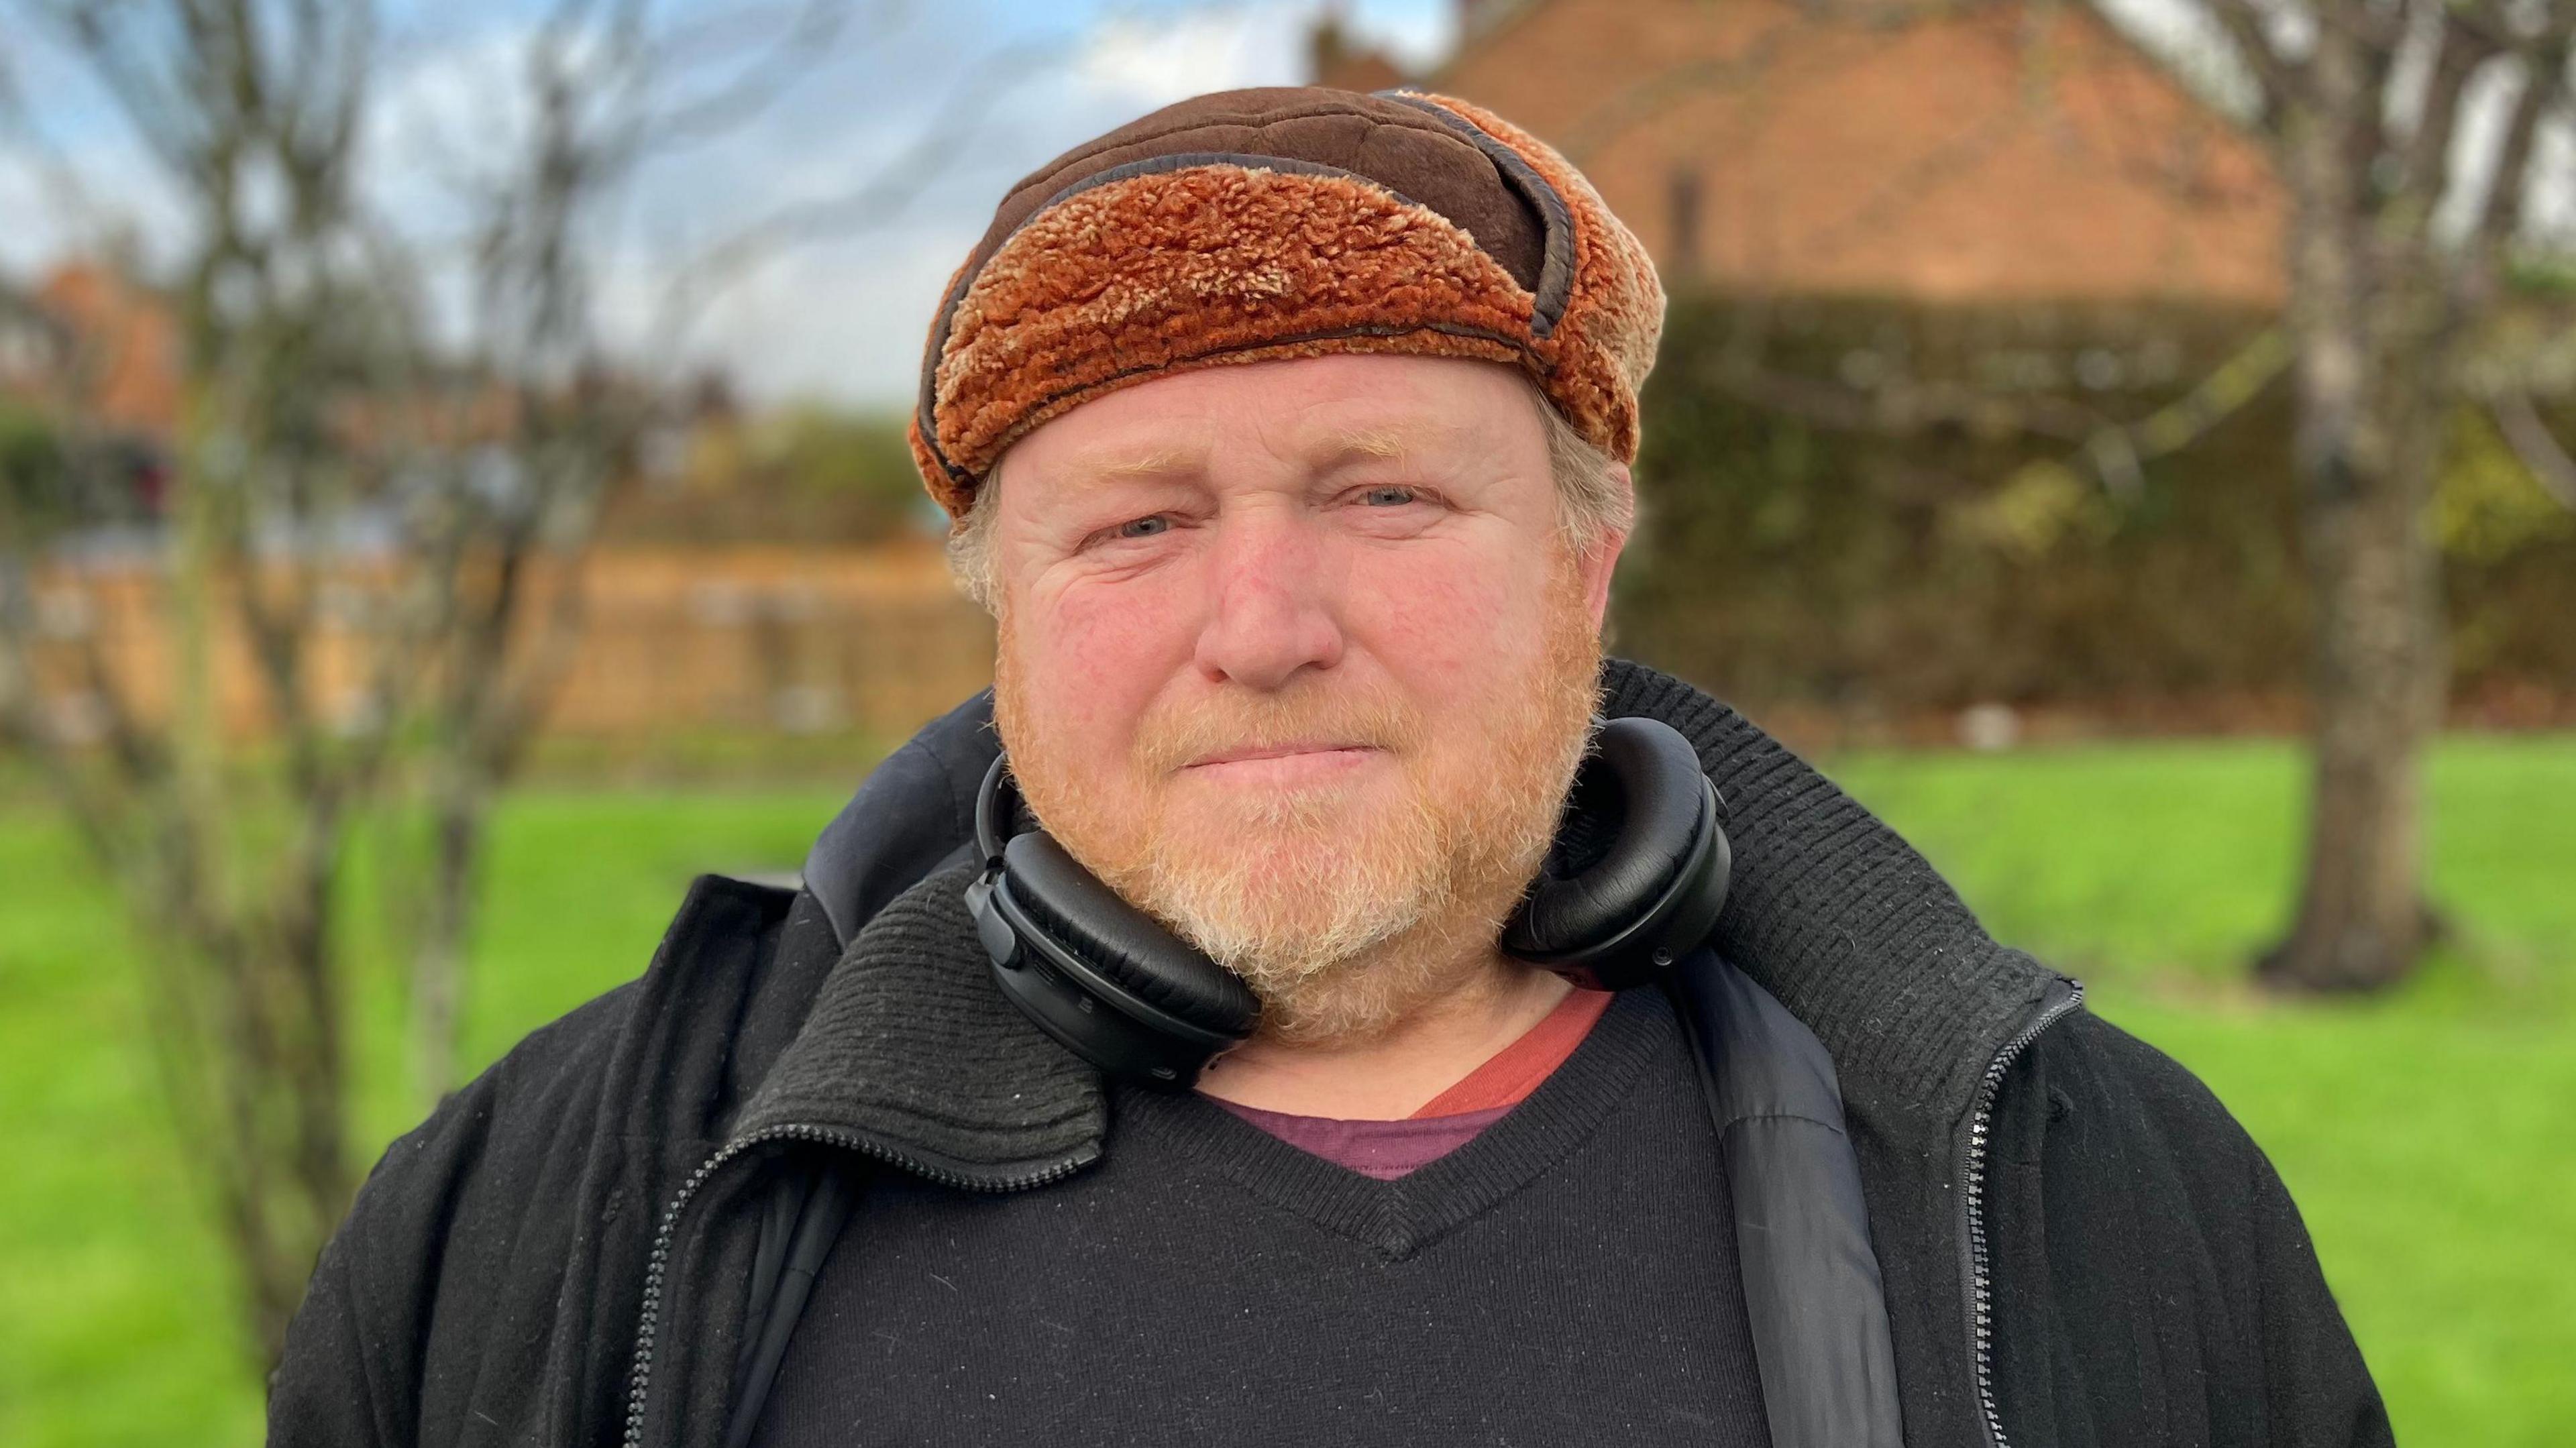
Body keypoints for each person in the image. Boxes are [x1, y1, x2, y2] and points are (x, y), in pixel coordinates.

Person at [269, 87, 2390, 1448]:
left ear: (1587, 555)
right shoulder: (549, 1212)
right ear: (999, 599)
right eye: (1137, 524)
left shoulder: (2073, 1182)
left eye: (1382, 496)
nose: (1263, 625)